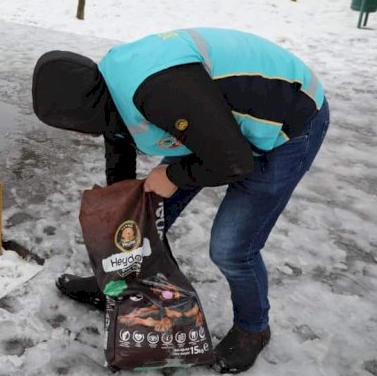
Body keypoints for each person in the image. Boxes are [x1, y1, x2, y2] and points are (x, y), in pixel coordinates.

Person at [31, 28, 329, 374]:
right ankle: (118, 290)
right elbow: (119, 144)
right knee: (145, 209)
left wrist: (174, 177)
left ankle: (253, 328)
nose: (81, 134)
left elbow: (234, 163)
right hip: (214, 125)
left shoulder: (158, 92)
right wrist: (123, 210)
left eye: (75, 127)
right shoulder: (108, 88)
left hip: (287, 124)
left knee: (231, 248)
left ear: (81, 112)